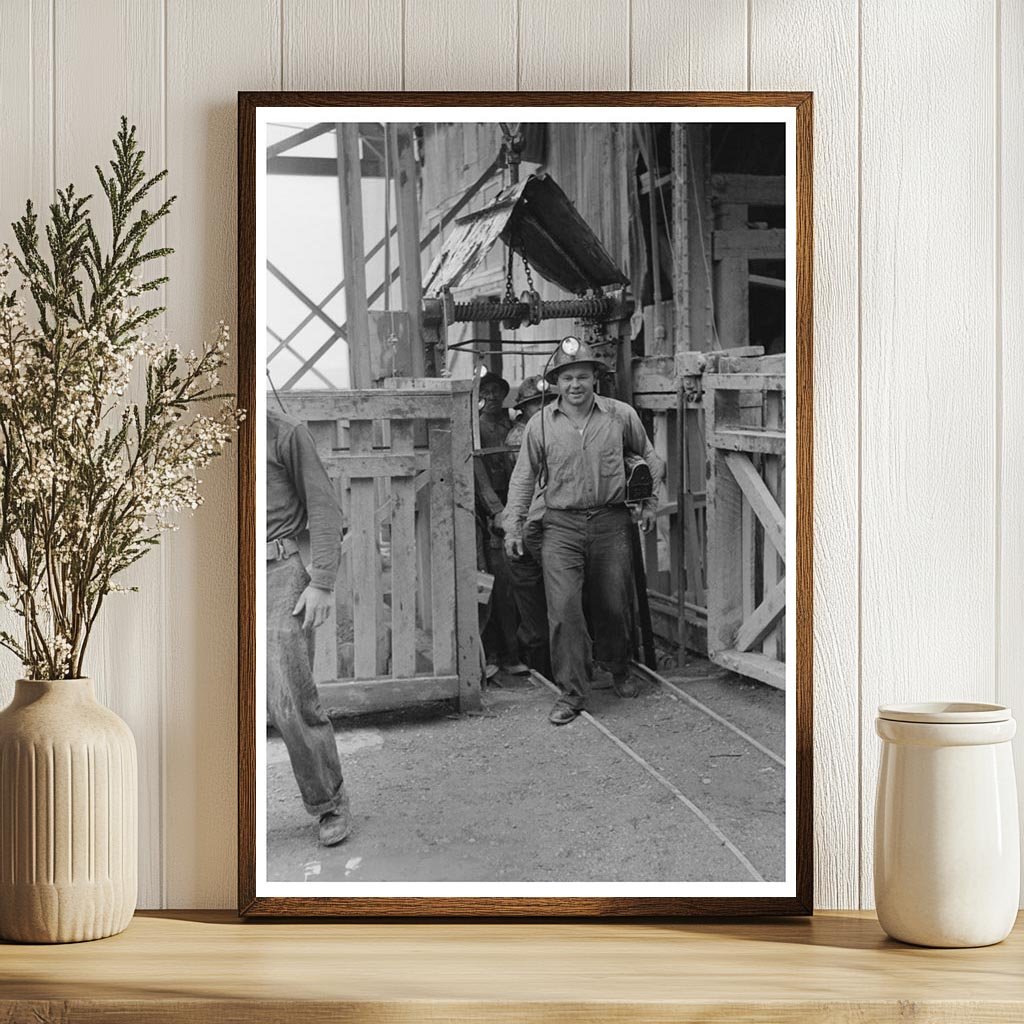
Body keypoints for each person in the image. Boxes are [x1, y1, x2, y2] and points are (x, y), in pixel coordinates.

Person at [503, 338, 662, 725]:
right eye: (568, 377)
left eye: (583, 377)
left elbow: (652, 459)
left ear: (596, 379)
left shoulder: (620, 416)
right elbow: (523, 478)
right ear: (556, 382)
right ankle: (572, 692)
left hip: (611, 521)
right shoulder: (541, 424)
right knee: (564, 609)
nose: (575, 384)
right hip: (560, 524)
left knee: (612, 602)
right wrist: (514, 526)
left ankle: (618, 667)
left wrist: (648, 502)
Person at [266, 405, 351, 845]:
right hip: (222, 568)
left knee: (287, 698)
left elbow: (323, 508)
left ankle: (328, 803)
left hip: (280, 569)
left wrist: (321, 582)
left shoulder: (285, 431)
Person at [503, 375, 556, 678]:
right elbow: (524, 483)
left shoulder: (551, 429)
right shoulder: (519, 437)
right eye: (538, 403)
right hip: (527, 522)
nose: (544, 408)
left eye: (548, 402)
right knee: (532, 603)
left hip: (549, 522)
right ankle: (537, 665)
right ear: (524, 408)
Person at [473, 373, 525, 674]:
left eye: (497, 391)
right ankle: (494, 653)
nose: (492, 396)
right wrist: (496, 511)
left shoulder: (513, 425)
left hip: (518, 504)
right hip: (489, 513)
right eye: (486, 391)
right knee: (493, 585)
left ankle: (518, 652)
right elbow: (479, 475)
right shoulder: (476, 426)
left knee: (518, 586)